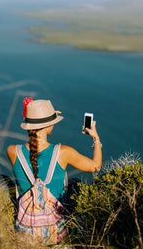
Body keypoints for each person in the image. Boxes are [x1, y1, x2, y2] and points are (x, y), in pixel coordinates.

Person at [6, 98, 102, 240]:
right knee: (75, 184)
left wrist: (46, 118)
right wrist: (95, 138)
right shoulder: (63, 152)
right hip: (56, 232)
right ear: (48, 126)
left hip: (26, 231)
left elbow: (36, 151)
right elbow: (96, 166)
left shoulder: (13, 151)